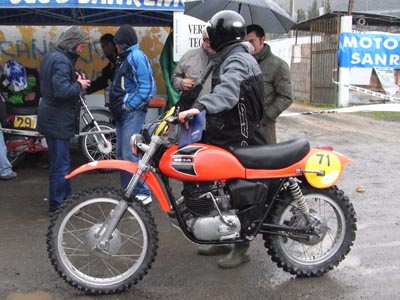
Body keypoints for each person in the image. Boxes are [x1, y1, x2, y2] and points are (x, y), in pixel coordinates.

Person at [178, 10, 266, 269]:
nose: (207, 39)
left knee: (241, 193)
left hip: (243, 137)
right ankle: (225, 236)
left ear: (221, 35)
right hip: (229, 133)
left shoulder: (238, 60)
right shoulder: (227, 57)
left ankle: (241, 247)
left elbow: (228, 94)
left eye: (210, 34)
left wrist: (200, 107)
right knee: (223, 190)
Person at [37, 26, 91, 214]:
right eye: (81, 46)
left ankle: (66, 202)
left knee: (62, 162)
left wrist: (73, 79)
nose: (82, 50)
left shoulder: (52, 56)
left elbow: (55, 86)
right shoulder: (61, 61)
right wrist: (78, 84)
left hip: (52, 117)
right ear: (73, 44)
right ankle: (58, 206)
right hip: (57, 119)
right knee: (61, 165)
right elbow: (61, 91)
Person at [109, 24, 156, 205]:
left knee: (129, 154)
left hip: (131, 114)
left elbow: (147, 87)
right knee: (122, 154)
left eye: (117, 43)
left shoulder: (136, 56)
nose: (116, 47)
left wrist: (129, 106)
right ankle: (128, 191)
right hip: (124, 114)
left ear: (123, 43)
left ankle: (143, 193)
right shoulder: (126, 57)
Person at [245, 24, 293, 144]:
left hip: (264, 131)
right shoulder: (242, 64)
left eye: (252, 41)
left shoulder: (277, 65)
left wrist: (266, 117)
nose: (249, 46)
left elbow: (286, 97)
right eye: (246, 42)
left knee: (263, 161)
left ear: (262, 40)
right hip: (242, 129)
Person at [171, 29, 215, 103]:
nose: (208, 44)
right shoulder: (189, 56)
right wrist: (181, 83)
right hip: (191, 109)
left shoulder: (225, 59)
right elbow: (175, 77)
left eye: (211, 40)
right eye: (205, 40)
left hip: (216, 109)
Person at [85, 33, 118, 104]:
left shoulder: (121, 64)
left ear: (111, 45)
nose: (104, 51)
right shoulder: (110, 67)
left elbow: (102, 81)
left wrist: (87, 90)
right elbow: (101, 81)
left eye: (104, 47)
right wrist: (86, 90)